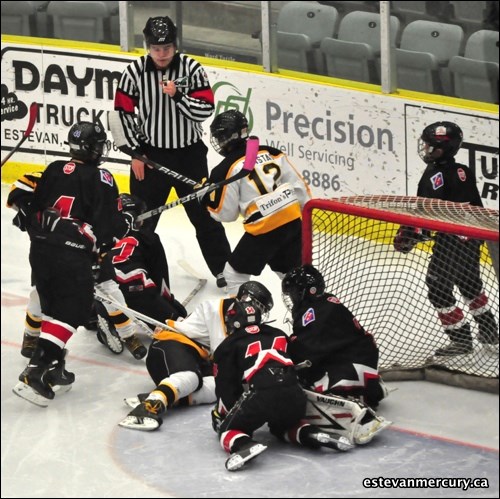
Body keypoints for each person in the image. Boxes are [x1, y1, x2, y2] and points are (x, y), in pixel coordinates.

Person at [12, 120, 129, 407]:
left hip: (40, 251)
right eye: (100, 145)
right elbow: (108, 228)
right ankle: (37, 370)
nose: (102, 150)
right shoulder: (101, 178)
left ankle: (55, 368)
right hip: (70, 252)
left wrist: (28, 216)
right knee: (72, 310)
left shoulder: (52, 169)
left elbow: (22, 197)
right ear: (91, 148)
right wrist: (125, 222)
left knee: (51, 306)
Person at [113, 15, 231, 288]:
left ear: (175, 46)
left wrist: (178, 95)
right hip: (150, 157)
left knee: (204, 216)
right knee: (140, 220)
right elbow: (122, 114)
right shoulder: (134, 72)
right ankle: (133, 269)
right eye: (156, 48)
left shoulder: (191, 68)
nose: (161, 54)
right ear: (148, 46)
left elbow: (205, 110)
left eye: (166, 48)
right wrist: (135, 153)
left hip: (189, 156)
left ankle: (225, 270)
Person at [393, 121, 498, 356]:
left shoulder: (435, 176)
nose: (427, 150)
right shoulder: (464, 171)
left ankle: (461, 339)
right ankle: (489, 331)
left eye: (432, 147)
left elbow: (430, 215)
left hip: (451, 241)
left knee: (437, 287)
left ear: (445, 148)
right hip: (472, 237)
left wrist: (410, 235)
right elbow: (470, 209)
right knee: (470, 284)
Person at [211, 300, 353, 472]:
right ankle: (310, 433)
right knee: (283, 426)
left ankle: (244, 445)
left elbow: (226, 387)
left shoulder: (228, 345)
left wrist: (227, 415)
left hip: (261, 394)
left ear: (234, 321)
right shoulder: (278, 333)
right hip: (294, 391)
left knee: (228, 429)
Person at [119, 281, 275, 430]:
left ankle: (165, 396)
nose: (259, 313)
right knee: (191, 377)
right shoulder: (217, 309)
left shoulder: (238, 316)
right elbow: (223, 354)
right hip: (168, 345)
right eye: (259, 306)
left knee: (220, 387)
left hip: (195, 356)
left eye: (262, 310)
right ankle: (146, 409)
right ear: (245, 298)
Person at [204, 109, 312, 295]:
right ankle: (309, 315)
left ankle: (243, 319)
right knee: (293, 278)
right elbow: (302, 191)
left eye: (219, 136)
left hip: (264, 230)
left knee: (233, 275)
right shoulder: (272, 153)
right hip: (293, 223)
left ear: (226, 137)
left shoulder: (225, 169)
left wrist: (206, 196)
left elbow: (225, 215)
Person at [94, 193, 188, 358]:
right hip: (137, 291)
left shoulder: (100, 234)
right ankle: (113, 318)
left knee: (103, 291)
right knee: (178, 328)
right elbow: (160, 277)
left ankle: (104, 317)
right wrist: (170, 303)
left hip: (104, 292)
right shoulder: (148, 237)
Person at [281, 264, 387, 409]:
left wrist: (286, 348)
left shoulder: (313, 312)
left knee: (302, 378)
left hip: (352, 362)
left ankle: (356, 394)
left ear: (305, 292)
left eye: (293, 292)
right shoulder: (326, 301)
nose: (292, 298)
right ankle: (370, 388)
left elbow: (307, 349)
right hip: (362, 356)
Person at [6, 171, 44, 358]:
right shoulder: (51, 175)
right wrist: (27, 208)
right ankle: (31, 334)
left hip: (78, 245)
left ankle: (94, 315)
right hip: (46, 247)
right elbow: (18, 188)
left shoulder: (92, 181)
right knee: (40, 293)